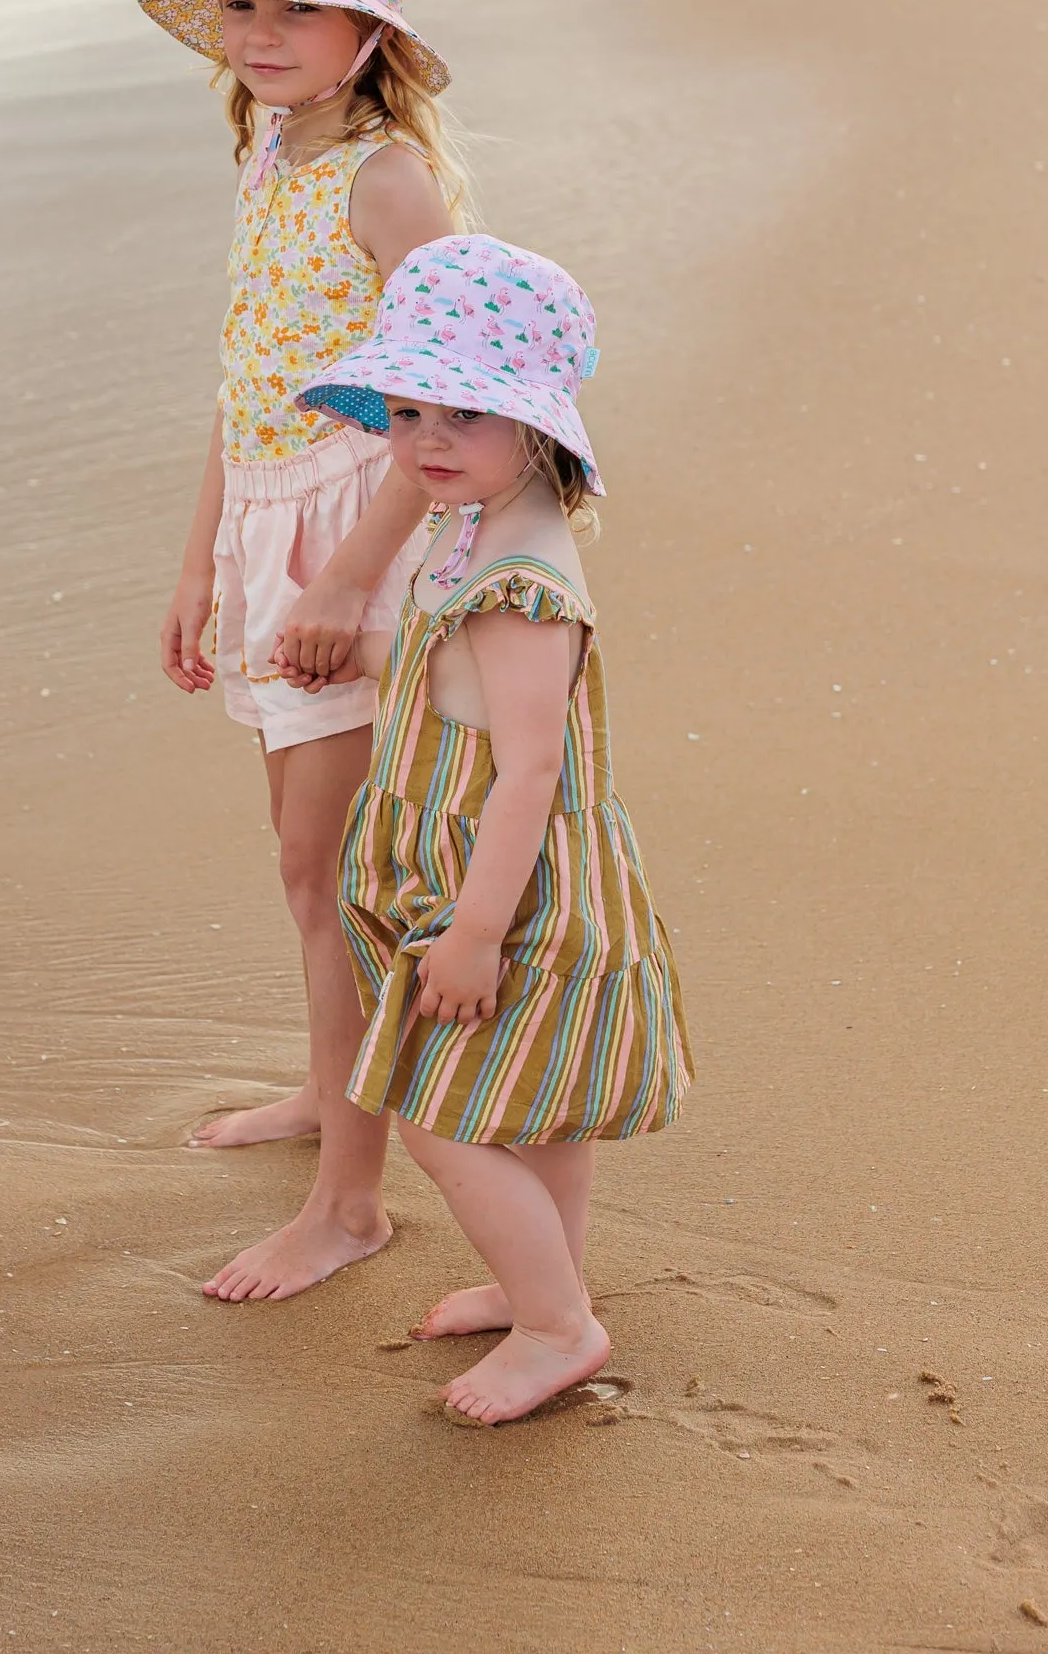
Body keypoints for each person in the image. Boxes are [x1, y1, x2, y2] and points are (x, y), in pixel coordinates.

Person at [281, 233, 693, 1423]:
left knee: (436, 1107)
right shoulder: (471, 533)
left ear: (537, 428)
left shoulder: (521, 581)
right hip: (492, 877)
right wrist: (357, 649)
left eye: (462, 412)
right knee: (534, 1100)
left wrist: (470, 933)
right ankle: (540, 1280)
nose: (425, 441)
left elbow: (528, 768)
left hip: (501, 886)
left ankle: (559, 1324)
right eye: (407, 412)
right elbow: (441, 668)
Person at [130, 0, 463, 1301]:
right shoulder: (267, 153)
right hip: (266, 528)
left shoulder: (388, 182)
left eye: (301, 8)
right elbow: (242, 381)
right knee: (298, 862)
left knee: (333, 872)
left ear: (370, 32)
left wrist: (344, 578)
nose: (261, 33)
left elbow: (451, 403)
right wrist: (201, 559)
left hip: (357, 536)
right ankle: (336, 1101)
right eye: (244, 1)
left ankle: (350, 1204)